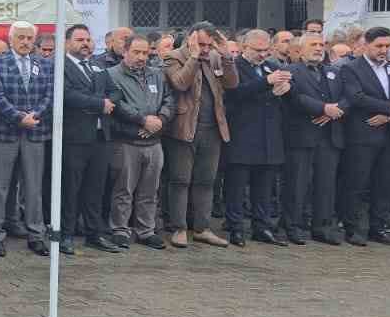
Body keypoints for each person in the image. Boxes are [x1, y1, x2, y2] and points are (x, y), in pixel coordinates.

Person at [162, 22, 237, 249]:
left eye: (208, 44)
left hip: (212, 128)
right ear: (190, 39)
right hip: (183, 128)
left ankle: (202, 228)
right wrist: (194, 57)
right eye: (201, 44)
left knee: (206, 181)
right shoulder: (174, 57)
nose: (205, 49)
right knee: (180, 180)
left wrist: (225, 56)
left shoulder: (215, 57)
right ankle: (179, 228)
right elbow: (180, 84)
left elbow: (232, 83)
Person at [0, 21, 52, 257]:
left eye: (29, 38)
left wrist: (35, 114)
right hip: (4, 131)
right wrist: (16, 117)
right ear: (11, 39)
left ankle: (36, 234)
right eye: (20, 37)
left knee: (33, 187)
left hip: (35, 131)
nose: (25, 42)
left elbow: (49, 94)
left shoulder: (45, 64)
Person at [338, 27, 390, 246]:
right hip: (363, 134)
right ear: (365, 44)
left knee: (384, 184)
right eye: (379, 46)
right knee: (357, 183)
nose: (383, 50)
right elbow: (357, 97)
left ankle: (378, 227)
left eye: (387, 46)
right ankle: (352, 228)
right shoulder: (351, 69)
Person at [224, 29, 290, 247]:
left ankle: (262, 227)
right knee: (237, 186)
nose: (263, 55)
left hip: (269, 137)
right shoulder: (234, 67)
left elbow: (272, 99)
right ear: (244, 47)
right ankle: (235, 228)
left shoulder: (272, 66)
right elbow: (235, 93)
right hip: (243, 135)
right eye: (258, 50)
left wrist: (280, 90)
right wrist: (267, 83)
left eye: (266, 50)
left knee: (264, 186)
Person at [106, 36, 174, 249]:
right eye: (136, 52)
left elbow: (169, 100)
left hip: (154, 143)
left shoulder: (157, 75)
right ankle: (120, 229)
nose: (141, 57)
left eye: (145, 53)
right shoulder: (111, 75)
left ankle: (146, 231)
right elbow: (118, 106)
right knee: (123, 189)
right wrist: (143, 121)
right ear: (124, 52)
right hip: (127, 142)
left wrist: (160, 120)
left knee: (150, 190)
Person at [283, 32, 347, 245]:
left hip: (329, 136)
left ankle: (322, 227)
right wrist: (322, 108)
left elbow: (349, 96)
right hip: (302, 135)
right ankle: (292, 225)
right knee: (298, 183)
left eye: (321, 44)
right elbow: (295, 97)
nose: (319, 48)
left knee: (326, 184)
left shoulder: (334, 72)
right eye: (313, 44)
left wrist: (334, 111)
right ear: (300, 50)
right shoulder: (290, 70)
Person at [59, 25, 119, 254]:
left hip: (100, 136)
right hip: (74, 137)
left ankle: (94, 234)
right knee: (70, 188)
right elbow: (67, 95)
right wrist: (98, 103)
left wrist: (105, 102)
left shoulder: (98, 65)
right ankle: (66, 234)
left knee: (96, 188)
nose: (85, 43)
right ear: (67, 42)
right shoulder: (61, 66)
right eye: (79, 39)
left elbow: (115, 92)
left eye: (88, 39)